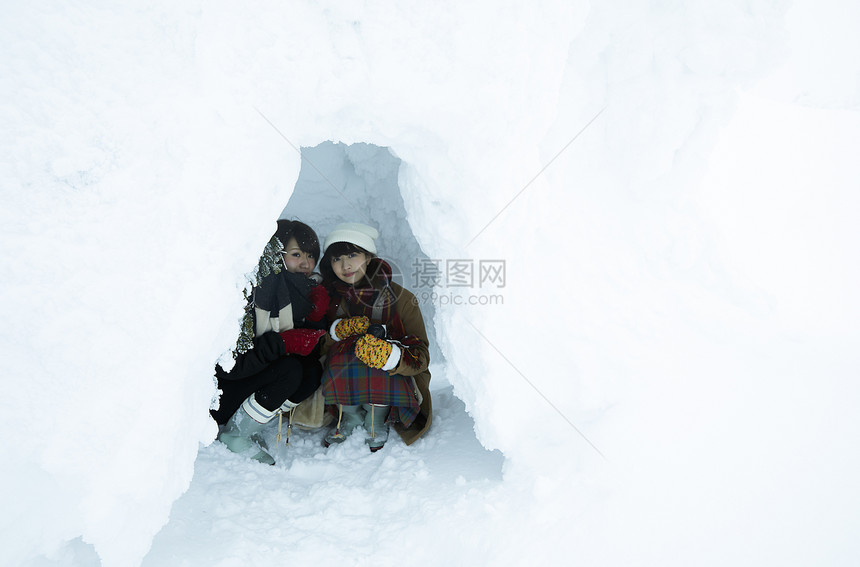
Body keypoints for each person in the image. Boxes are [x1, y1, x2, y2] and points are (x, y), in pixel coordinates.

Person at [211, 219, 329, 464]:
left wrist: (315, 320)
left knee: (310, 371)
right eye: (296, 254)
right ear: (275, 253)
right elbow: (229, 367)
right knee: (290, 369)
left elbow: (304, 348)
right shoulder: (252, 292)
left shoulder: (301, 293)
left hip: (250, 384)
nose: (306, 263)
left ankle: (246, 426)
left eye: (310, 256)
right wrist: (282, 343)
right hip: (221, 393)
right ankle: (235, 435)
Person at [319, 222, 432, 451]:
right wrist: (336, 333)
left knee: (373, 359)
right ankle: (349, 417)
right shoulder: (327, 298)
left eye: (353, 254)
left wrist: (391, 355)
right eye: (337, 258)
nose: (345, 264)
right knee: (342, 357)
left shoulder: (400, 298)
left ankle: (376, 419)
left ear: (368, 257)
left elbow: (422, 356)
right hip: (341, 378)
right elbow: (316, 348)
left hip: (393, 380)